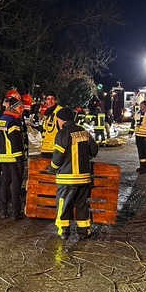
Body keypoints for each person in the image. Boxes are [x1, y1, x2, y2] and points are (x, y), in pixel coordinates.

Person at [47, 107, 99, 240]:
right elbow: (94, 150)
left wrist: (52, 169)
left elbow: (58, 157)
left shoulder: (62, 133)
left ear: (61, 119)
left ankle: (64, 231)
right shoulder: (83, 132)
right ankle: (84, 231)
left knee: (63, 204)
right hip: (83, 178)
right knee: (81, 204)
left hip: (67, 178)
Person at [0, 99, 26, 219]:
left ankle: (3, 209)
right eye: (20, 108)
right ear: (14, 108)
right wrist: (20, 159)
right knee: (16, 184)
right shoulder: (13, 122)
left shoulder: (0, 121)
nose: (23, 110)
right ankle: (16, 212)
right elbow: (15, 143)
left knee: (5, 183)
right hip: (13, 158)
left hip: (2, 158)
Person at [40, 92, 63, 157]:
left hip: (54, 149)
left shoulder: (60, 111)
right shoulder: (47, 111)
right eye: (48, 99)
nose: (50, 101)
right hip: (45, 148)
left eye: (52, 99)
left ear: (56, 100)